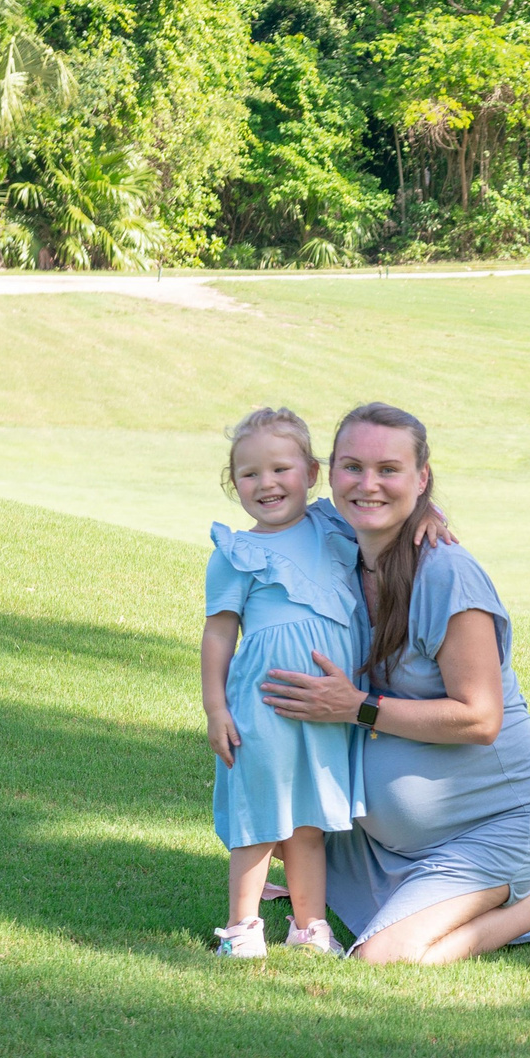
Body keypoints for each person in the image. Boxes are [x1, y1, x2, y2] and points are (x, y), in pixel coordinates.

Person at [259, 402, 530, 962]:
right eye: (352, 467)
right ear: (328, 472)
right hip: (389, 839)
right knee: (273, 817)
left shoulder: (446, 575)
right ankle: (391, 889)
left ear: (421, 478)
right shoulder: (336, 544)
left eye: (389, 470)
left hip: (500, 826)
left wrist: (357, 707)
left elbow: (480, 718)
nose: (368, 485)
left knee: (381, 958)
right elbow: (272, 508)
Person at [201, 408, 357, 957]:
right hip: (264, 704)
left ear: (312, 473)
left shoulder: (331, 527)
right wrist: (215, 708)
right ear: (233, 482)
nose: (266, 483)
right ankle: (242, 930)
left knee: (309, 821)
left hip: (326, 709)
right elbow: (219, 635)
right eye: (249, 474)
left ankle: (308, 926)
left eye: (281, 469)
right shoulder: (236, 553)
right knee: (260, 814)